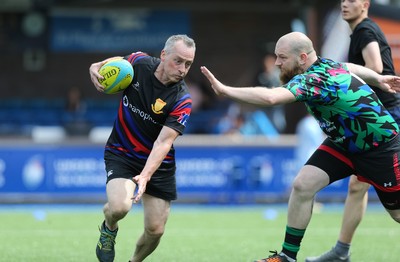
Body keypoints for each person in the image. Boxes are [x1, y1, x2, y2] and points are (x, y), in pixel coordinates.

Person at [200, 31, 400, 262]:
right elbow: (350, 67)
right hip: (344, 145)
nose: (277, 63)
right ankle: (287, 256)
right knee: (303, 184)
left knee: (396, 214)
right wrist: (379, 79)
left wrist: (226, 90)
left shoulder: (313, 80)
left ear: (303, 57)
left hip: (380, 148)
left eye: (282, 57)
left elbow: (271, 98)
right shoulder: (327, 65)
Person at [306, 1, 400, 261]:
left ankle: (341, 251)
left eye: (352, 0)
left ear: (366, 5)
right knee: (357, 186)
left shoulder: (365, 31)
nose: (345, 4)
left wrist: (340, 80)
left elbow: (376, 68)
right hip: (378, 118)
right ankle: (341, 251)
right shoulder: (360, 30)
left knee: (386, 203)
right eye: (343, 0)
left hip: (384, 118)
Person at [89, 34, 196, 262]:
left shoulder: (182, 99)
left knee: (156, 230)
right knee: (119, 208)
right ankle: (109, 228)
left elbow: (164, 142)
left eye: (188, 64)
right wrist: (96, 66)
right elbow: (118, 61)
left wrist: (146, 175)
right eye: (178, 61)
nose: (183, 69)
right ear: (163, 55)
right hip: (122, 152)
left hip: (158, 164)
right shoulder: (139, 63)